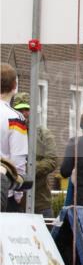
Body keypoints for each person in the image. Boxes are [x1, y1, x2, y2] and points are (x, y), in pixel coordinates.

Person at [11, 92, 58, 217]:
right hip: (13, 202)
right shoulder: (7, 132)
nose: (24, 113)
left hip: (40, 201)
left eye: (27, 109)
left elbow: (52, 160)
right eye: (20, 109)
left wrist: (27, 170)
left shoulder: (43, 134)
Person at [0, 64, 28, 211]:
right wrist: (18, 193)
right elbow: (18, 160)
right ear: (14, 86)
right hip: (4, 191)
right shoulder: (15, 118)